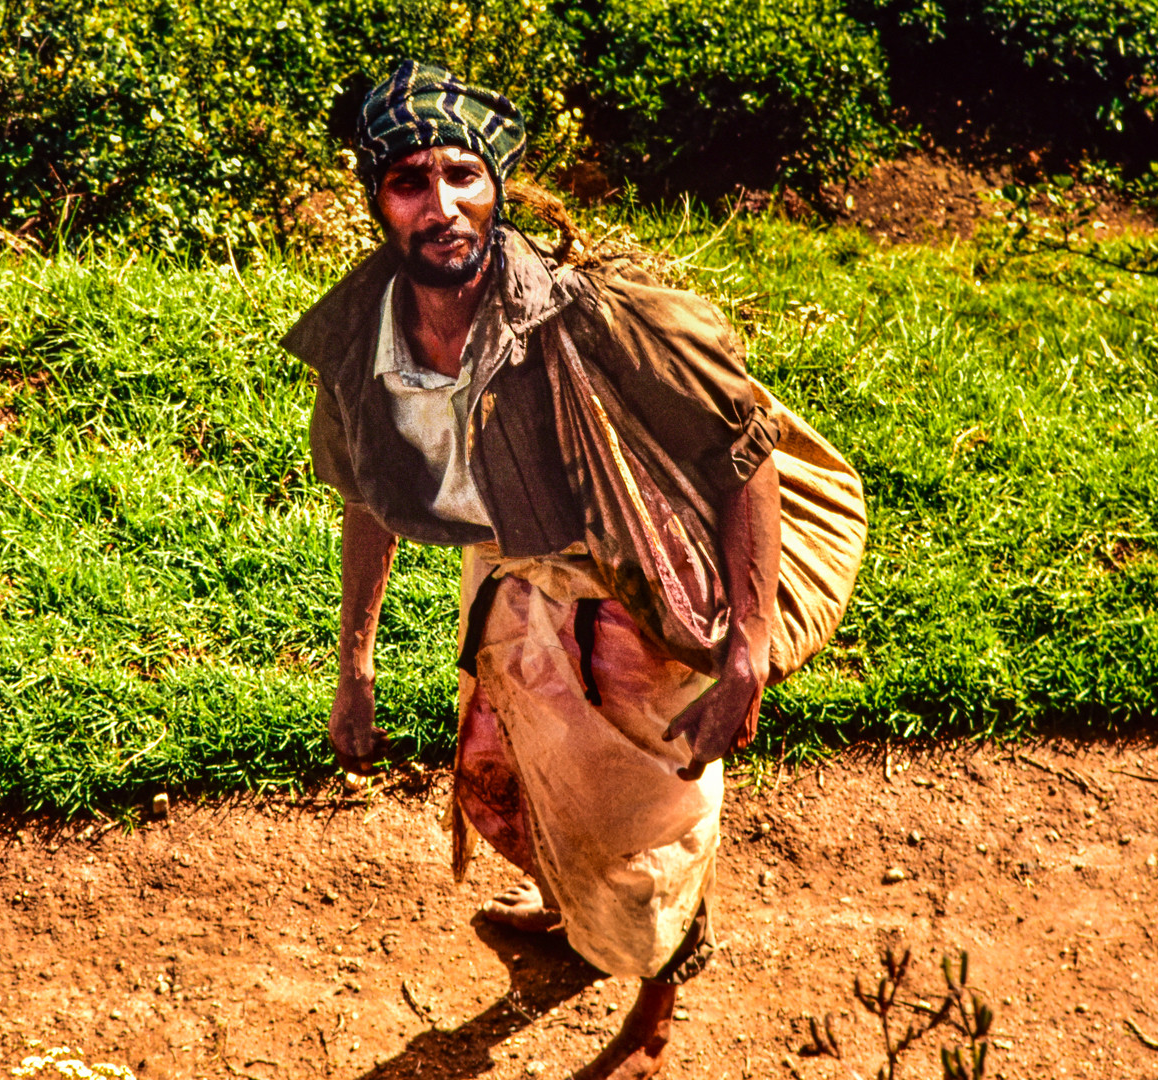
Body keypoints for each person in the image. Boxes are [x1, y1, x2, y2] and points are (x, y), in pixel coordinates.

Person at [280, 60, 784, 1080]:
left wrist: (747, 652)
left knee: (646, 822)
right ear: (378, 201)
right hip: (508, 586)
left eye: (462, 175)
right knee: (512, 772)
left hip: (632, 597)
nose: (442, 206)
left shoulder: (595, 319)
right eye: (410, 182)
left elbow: (745, 456)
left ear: (497, 185)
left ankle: (653, 1018)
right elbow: (372, 497)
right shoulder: (365, 344)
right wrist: (356, 665)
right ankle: (567, 909)